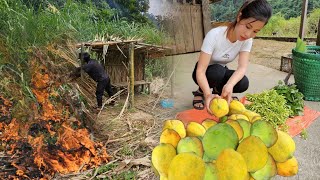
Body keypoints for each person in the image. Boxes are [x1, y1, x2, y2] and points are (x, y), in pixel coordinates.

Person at [192, 0, 272, 112]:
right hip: (204, 72)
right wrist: (207, 94)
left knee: (243, 82)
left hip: (221, 71)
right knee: (217, 72)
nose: (248, 34)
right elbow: (200, 71)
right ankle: (201, 91)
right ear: (239, 17)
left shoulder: (247, 40)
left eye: (255, 31)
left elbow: (242, 68)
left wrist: (229, 86)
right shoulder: (214, 35)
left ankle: (220, 91)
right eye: (248, 27)